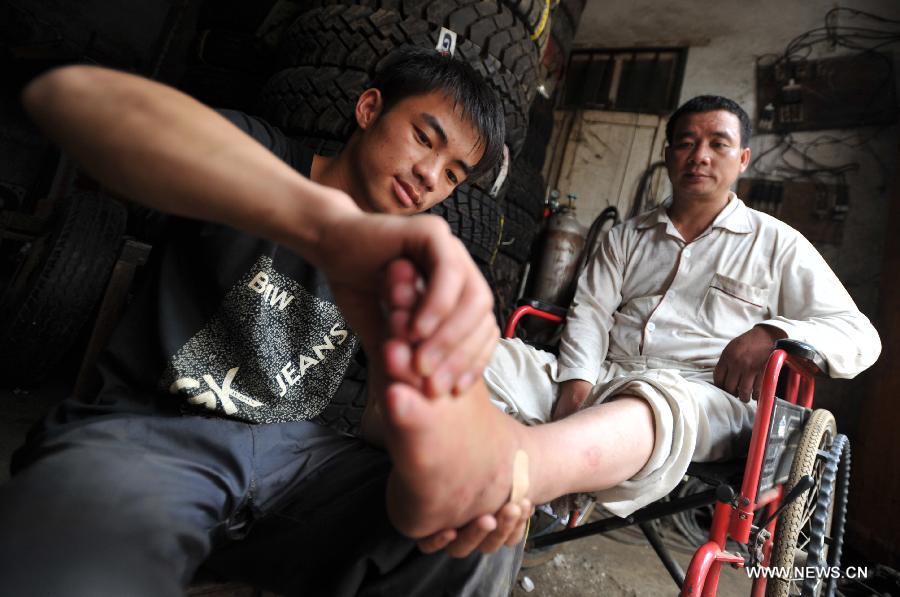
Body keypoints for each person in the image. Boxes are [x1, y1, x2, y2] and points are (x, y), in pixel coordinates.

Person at [0, 47, 527, 596]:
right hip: (152, 436)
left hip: (293, 462)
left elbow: (377, 415)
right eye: (424, 138)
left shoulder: (402, 267)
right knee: (73, 561)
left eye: (452, 174)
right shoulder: (260, 156)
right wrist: (324, 225)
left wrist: (454, 447)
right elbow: (75, 101)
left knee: (476, 537)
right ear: (369, 108)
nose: (428, 176)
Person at [369, 95, 882, 553]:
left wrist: (774, 333)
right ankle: (416, 466)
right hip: (602, 375)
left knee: (651, 401)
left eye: (718, 144)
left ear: (743, 159)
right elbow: (589, 315)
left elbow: (860, 335)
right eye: (685, 143)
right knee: (474, 355)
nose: (699, 155)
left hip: (699, 396)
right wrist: (575, 386)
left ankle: (509, 482)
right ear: (667, 154)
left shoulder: (776, 243)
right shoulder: (626, 238)